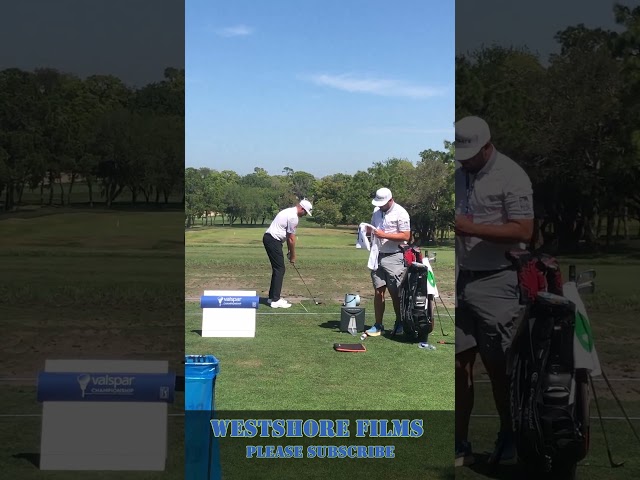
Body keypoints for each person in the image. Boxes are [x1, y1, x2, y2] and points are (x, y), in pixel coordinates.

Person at [454, 116, 534, 467]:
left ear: (487, 146)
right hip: (461, 279)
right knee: (458, 367)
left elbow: (523, 231)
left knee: (500, 368)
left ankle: (510, 436)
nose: (463, 161)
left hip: (498, 281)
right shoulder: (457, 174)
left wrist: (469, 227)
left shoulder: (512, 176)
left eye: (469, 155)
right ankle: (459, 441)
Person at [364, 187, 411, 336]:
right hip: (377, 255)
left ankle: (399, 322)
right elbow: (373, 230)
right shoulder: (376, 212)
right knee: (378, 291)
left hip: (394, 256)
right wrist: (366, 232)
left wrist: (383, 234)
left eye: (382, 203)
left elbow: (406, 236)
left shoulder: (401, 212)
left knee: (395, 292)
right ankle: (378, 325)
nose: (380, 206)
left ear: (390, 200)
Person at [263, 199, 313, 308]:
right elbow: (291, 239)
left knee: (278, 268)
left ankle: (272, 298)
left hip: (271, 239)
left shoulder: (289, 211)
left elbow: (288, 236)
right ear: (302, 208)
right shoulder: (293, 217)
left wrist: (290, 251)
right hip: (273, 240)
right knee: (280, 269)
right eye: (305, 212)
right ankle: (275, 300)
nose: (304, 215)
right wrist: (293, 255)